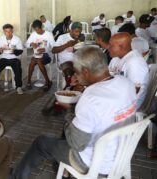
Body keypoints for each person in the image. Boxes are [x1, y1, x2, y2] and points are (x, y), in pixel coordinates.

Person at [11, 47, 137, 179]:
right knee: (66, 135)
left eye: (76, 72)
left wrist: (70, 110)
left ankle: (16, 176)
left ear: (86, 72)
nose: (75, 76)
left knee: (42, 142)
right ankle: (62, 169)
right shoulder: (126, 83)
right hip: (122, 153)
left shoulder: (90, 97)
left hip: (95, 162)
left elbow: (77, 144)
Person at [108, 32, 149, 109]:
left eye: (111, 46)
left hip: (129, 105)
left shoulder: (135, 63)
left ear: (122, 47)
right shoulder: (116, 58)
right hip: (116, 97)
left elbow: (134, 92)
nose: (108, 48)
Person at [0, 24, 24, 95]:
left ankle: (18, 86)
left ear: (12, 31)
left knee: (18, 69)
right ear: (4, 32)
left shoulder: (17, 39)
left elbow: (21, 51)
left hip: (14, 58)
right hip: (4, 58)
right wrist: (1, 49)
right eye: (6, 31)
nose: (8, 33)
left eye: (10, 31)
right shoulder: (1, 39)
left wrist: (13, 51)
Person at [26, 20, 55, 91]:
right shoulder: (33, 34)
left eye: (38, 29)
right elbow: (26, 44)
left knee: (38, 60)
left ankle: (47, 81)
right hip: (37, 54)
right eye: (35, 30)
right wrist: (31, 44)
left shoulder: (48, 34)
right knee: (32, 62)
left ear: (41, 27)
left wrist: (45, 50)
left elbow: (54, 47)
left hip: (47, 55)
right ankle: (29, 81)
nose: (37, 31)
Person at [52, 22, 83, 88]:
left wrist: (77, 50)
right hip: (65, 62)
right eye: (76, 31)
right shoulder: (62, 37)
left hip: (77, 62)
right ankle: (69, 86)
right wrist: (67, 45)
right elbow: (53, 50)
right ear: (70, 30)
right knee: (69, 68)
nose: (78, 33)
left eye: (79, 32)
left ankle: (75, 87)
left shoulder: (80, 38)